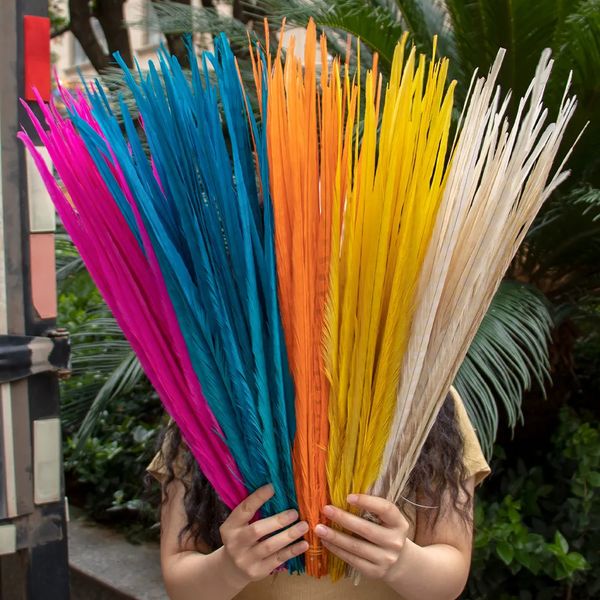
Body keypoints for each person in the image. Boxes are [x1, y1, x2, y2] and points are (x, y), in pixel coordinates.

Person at [147, 387, 490, 600]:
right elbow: (182, 583)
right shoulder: (202, 395)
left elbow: (449, 575)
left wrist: (402, 561)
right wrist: (228, 568)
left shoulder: (427, 391)